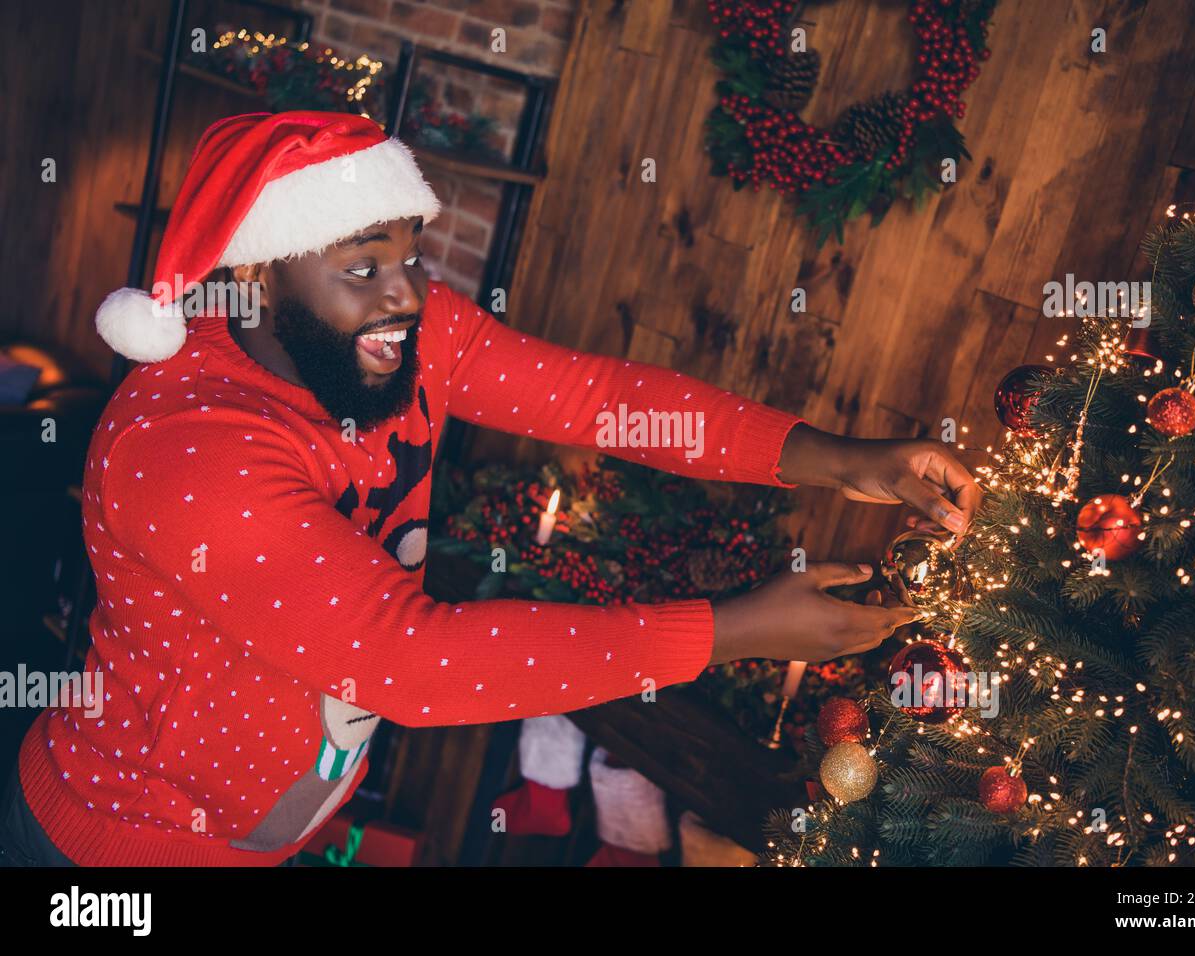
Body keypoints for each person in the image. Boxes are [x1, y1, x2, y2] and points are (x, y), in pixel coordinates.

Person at [3, 111, 980, 866]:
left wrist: (841, 457)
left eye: (407, 256)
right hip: (112, 849)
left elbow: (604, 400)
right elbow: (410, 662)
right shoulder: (190, 446)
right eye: (361, 268)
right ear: (255, 279)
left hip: (266, 834)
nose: (405, 294)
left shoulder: (395, 338)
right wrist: (729, 630)